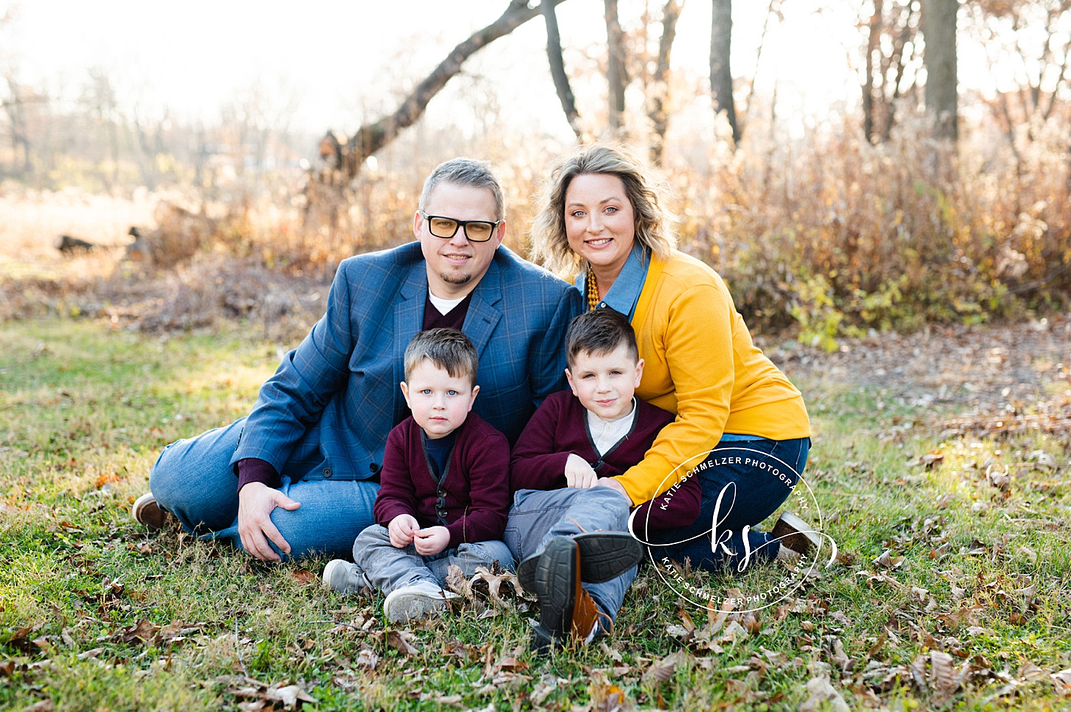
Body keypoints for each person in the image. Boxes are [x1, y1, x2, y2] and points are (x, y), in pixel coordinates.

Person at [132, 158, 582, 561]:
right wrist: (252, 482)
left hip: (401, 488)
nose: (458, 241)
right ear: (419, 225)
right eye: (444, 224)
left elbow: (550, 424)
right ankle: (214, 501)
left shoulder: (543, 301)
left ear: (499, 232)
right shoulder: (365, 278)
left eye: (477, 228)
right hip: (329, 435)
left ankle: (210, 521)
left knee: (288, 531)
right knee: (177, 478)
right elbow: (296, 386)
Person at [527, 144, 817, 578]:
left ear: (638, 213)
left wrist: (626, 489)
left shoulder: (688, 290)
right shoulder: (583, 289)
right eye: (578, 213)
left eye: (610, 209)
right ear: (562, 222)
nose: (594, 226)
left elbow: (703, 416)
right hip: (684, 442)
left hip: (758, 441)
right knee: (604, 523)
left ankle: (773, 548)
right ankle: (731, 536)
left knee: (631, 532)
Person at [506, 308, 704, 649]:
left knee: (625, 550)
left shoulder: (660, 426)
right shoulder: (557, 410)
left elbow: (687, 502)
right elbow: (516, 471)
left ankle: (586, 622)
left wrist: (619, 509)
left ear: (637, 373)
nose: (603, 388)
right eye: (589, 376)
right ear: (571, 381)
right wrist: (562, 462)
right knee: (612, 519)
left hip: (612, 535)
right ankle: (558, 552)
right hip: (535, 520)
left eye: (615, 372)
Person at [322, 329, 514, 623]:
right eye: (426, 392)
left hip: (461, 548)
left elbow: (492, 515)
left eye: (452, 393)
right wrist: (397, 518)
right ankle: (421, 587)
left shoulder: (489, 443)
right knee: (368, 538)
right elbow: (391, 495)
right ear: (407, 394)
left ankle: (380, 583)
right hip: (415, 544)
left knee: (497, 555)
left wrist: (449, 534)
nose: (439, 404)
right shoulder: (401, 438)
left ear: (472, 397)